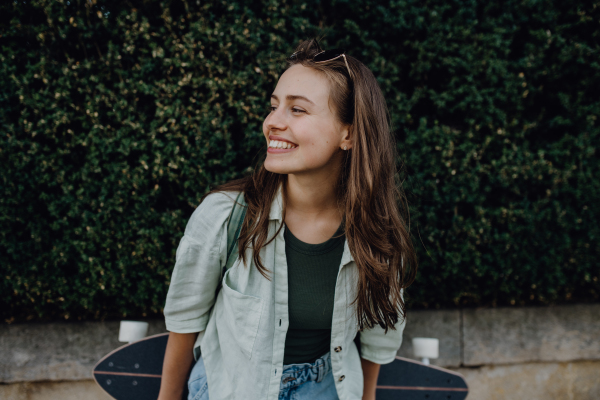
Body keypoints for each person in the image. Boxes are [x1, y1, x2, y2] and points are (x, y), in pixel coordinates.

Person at [157, 38, 417, 400]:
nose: (272, 123)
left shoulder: (378, 236)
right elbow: (184, 324)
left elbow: (377, 339)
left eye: (297, 110)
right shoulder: (225, 217)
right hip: (232, 387)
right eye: (274, 106)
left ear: (350, 133)